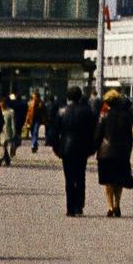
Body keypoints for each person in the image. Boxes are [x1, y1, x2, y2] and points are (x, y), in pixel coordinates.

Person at [51, 86, 96, 216]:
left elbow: (54, 133)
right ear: (80, 96)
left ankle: (70, 207)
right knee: (81, 177)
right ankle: (79, 205)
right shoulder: (88, 111)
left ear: (68, 97)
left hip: (66, 148)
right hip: (82, 148)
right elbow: (93, 131)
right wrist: (92, 148)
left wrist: (57, 149)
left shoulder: (62, 112)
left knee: (69, 179)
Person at [94, 89, 133, 216]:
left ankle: (110, 207)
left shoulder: (104, 115)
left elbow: (98, 135)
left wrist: (93, 149)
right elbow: (130, 137)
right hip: (122, 152)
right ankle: (117, 204)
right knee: (119, 180)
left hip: (106, 152)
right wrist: (128, 152)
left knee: (108, 181)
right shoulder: (126, 116)